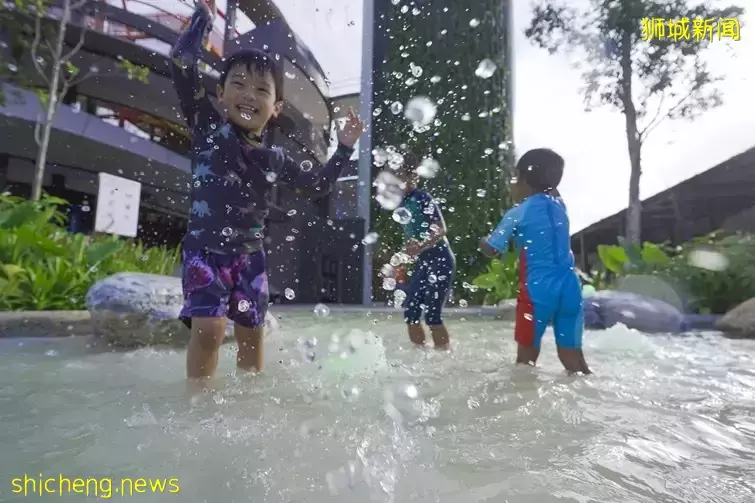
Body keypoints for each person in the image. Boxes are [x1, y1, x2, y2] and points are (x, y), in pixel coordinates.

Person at [170, 0, 364, 379]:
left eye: (262, 89)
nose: (249, 94)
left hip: (250, 258)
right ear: (221, 94)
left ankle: (248, 403)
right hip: (205, 251)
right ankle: (197, 403)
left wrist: (344, 147)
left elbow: (320, 184)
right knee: (208, 331)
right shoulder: (207, 126)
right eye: (238, 84)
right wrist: (203, 19)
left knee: (251, 335)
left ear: (275, 108)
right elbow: (181, 64)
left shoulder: (273, 158)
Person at [479, 148, 591, 375]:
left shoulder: (518, 212)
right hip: (570, 288)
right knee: (573, 358)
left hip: (537, 293)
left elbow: (492, 250)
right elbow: (551, 188)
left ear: (521, 177)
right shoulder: (560, 206)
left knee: (525, 362)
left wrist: (481, 242)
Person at [394, 154, 456, 349]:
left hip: (440, 258)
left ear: (414, 177)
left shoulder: (422, 198)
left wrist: (420, 246)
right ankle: (419, 356)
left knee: (432, 314)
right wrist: (404, 259)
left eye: (404, 176)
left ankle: (443, 357)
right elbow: (411, 235)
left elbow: (441, 228)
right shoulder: (401, 203)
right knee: (411, 311)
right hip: (423, 261)